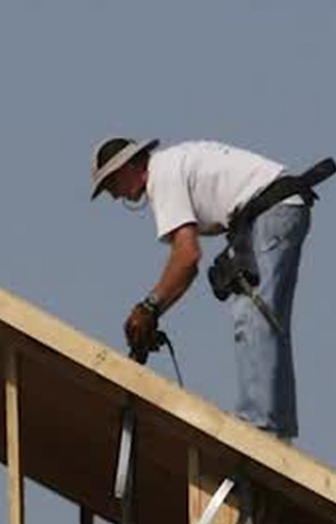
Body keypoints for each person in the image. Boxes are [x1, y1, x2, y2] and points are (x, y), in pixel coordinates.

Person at [90, 137, 314, 440]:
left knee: (252, 313)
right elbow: (187, 261)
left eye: (112, 184)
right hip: (277, 206)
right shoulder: (171, 165)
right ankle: (277, 429)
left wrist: (150, 306)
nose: (114, 195)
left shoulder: (162, 175)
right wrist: (154, 308)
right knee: (265, 317)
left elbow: (187, 257)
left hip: (271, 208)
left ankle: (258, 426)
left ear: (129, 166)